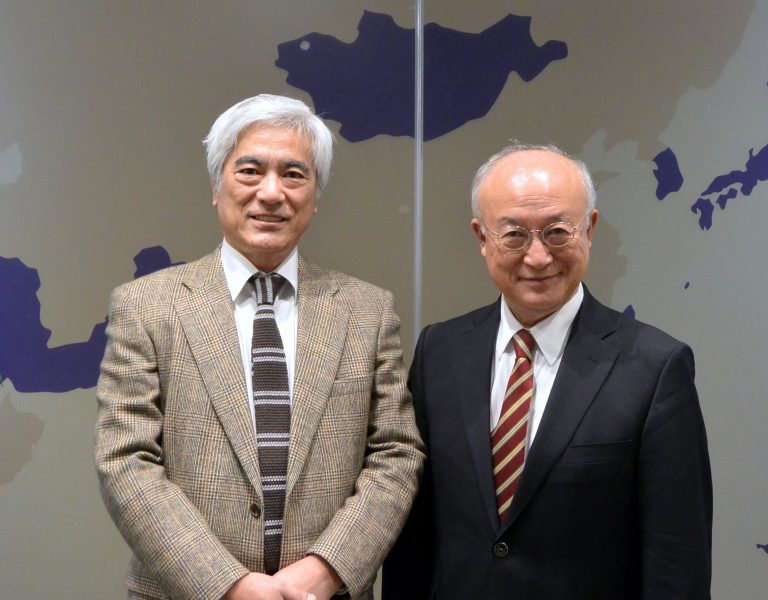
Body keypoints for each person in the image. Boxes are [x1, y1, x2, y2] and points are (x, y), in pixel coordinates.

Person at [95, 94, 424, 600]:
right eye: (250, 171)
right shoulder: (146, 306)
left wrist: (323, 571)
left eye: (294, 175)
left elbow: (396, 454)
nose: (271, 193)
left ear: (315, 196)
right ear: (216, 186)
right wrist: (228, 585)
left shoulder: (367, 311)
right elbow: (126, 459)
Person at [383, 144, 712, 599]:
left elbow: (677, 561)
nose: (538, 257)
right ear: (482, 238)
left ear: (589, 229)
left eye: (557, 232)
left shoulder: (655, 367)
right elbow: (414, 538)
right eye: (514, 235)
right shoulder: (440, 352)